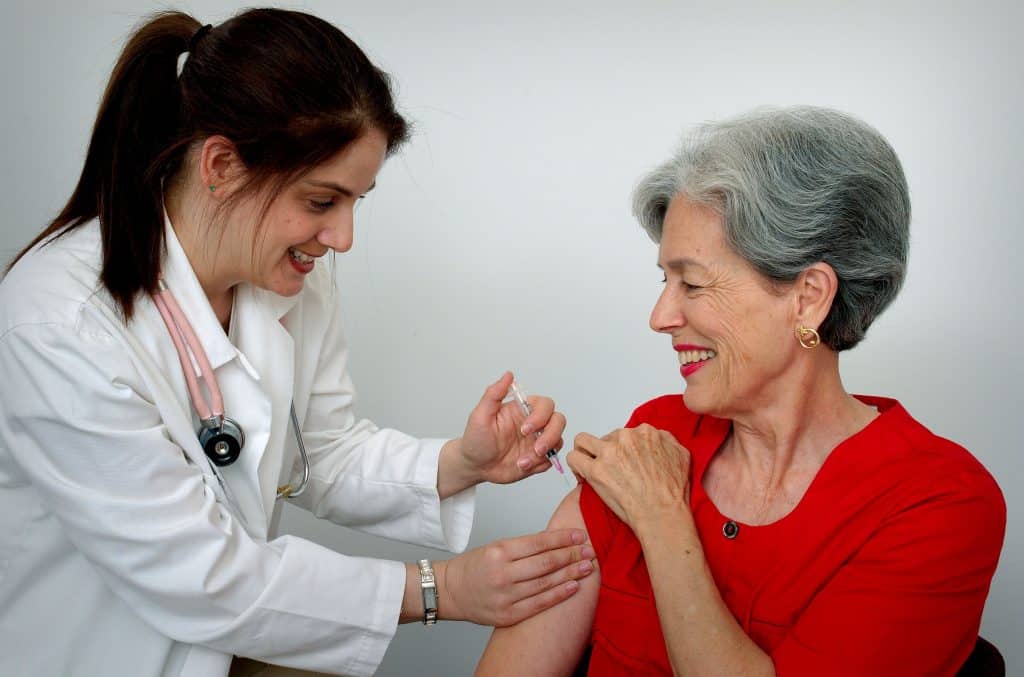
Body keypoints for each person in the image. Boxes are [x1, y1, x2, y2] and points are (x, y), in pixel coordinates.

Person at [0, 10, 597, 677]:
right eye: (322, 201)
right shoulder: (59, 322)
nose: (342, 238)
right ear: (221, 164)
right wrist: (439, 589)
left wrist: (463, 461)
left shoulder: (285, 277)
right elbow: (202, 575)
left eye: (355, 203)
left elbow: (320, 456)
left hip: (222, 648)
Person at [477, 106, 1006, 676]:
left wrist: (661, 518)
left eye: (694, 283)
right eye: (665, 280)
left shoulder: (937, 504)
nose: (660, 316)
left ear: (808, 297)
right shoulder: (655, 436)